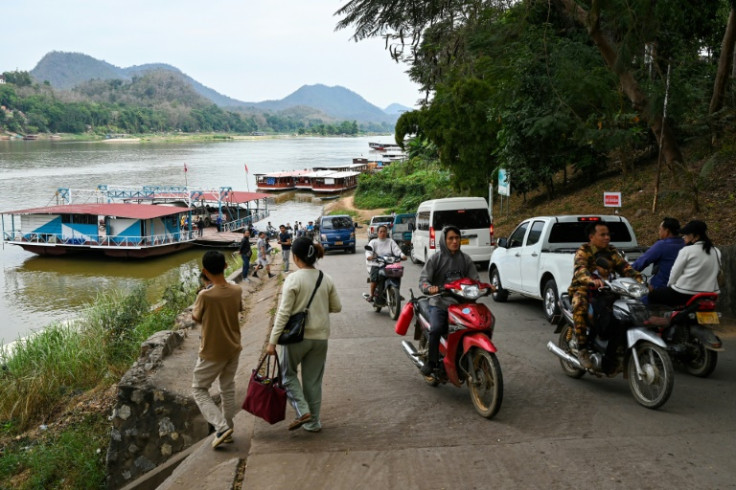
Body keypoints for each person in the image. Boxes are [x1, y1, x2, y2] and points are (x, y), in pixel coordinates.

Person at [265, 238, 342, 433]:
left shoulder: (293, 279)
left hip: (295, 339)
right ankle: (313, 422)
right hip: (320, 339)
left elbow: (283, 313)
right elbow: (337, 307)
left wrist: (272, 341)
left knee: (286, 375)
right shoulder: (326, 278)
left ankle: (302, 410)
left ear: (296, 258)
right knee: (313, 381)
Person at [568, 221, 642, 371]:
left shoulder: (611, 252)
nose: (607, 237)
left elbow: (625, 268)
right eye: (602, 234)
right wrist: (591, 280)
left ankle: (616, 348)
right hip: (584, 289)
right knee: (580, 306)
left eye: (608, 234)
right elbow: (580, 269)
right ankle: (582, 349)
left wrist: (640, 281)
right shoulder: (584, 251)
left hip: (608, 290)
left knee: (624, 312)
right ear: (592, 236)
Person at [191, 251, 243, 449]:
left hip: (212, 351)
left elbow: (196, 318)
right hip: (233, 347)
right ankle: (228, 429)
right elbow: (237, 309)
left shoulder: (205, 295)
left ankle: (221, 428)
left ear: (204, 271)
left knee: (198, 389)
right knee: (227, 388)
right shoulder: (237, 289)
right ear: (226, 267)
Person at [418, 226, 480, 378]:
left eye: (457, 238)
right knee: (437, 328)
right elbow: (424, 281)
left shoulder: (465, 259)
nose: (454, 241)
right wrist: (429, 288)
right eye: (451, 238)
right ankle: (432, 362)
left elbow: (475, 280)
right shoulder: (435, 259)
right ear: (444, 241)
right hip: (440, 302)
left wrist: (485, 287)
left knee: (475, 325)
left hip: (462, 304)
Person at [648, 220, 722, 307]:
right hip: (710, 294)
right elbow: (718, 272)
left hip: (684, 293)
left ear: (696, 236)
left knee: (652, 295)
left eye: (686, 234)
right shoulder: (716, 251)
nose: (684, 237)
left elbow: (675, 273)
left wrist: (669, 287)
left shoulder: (686, 250)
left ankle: (664, 318)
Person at [631, 217, 684, 294]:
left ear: (667, 231)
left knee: (640, 301)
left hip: (661, 289)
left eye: (660, 229)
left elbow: (642, 262)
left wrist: (626, 272)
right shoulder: (684, 244)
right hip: (682, 288)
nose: (659, 232)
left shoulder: (662, 245)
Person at [365, 224, 405, 302]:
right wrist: (370, 256)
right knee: (374, 279)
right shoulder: (373, 242)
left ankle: (397, 292)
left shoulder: (390, 241)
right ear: (378, 233)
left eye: (384, 231)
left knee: (397, 274)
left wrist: (402, 255)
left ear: (387, 232)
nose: (383, 233)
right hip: (376, 264)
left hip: (389, 264)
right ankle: (372, 295)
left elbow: (397, 250)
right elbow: (368, 252)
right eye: (381, 231)